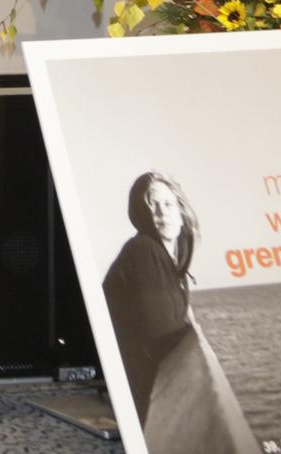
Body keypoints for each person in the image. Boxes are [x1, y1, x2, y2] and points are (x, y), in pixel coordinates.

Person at [100, 172, 260, 453]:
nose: (162, 212)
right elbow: (159, 331)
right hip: (128, 387)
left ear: (181, 208)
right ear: (141, 214)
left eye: (168, 204)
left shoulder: (173, 257)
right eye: (152, 205)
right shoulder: (142, 250)